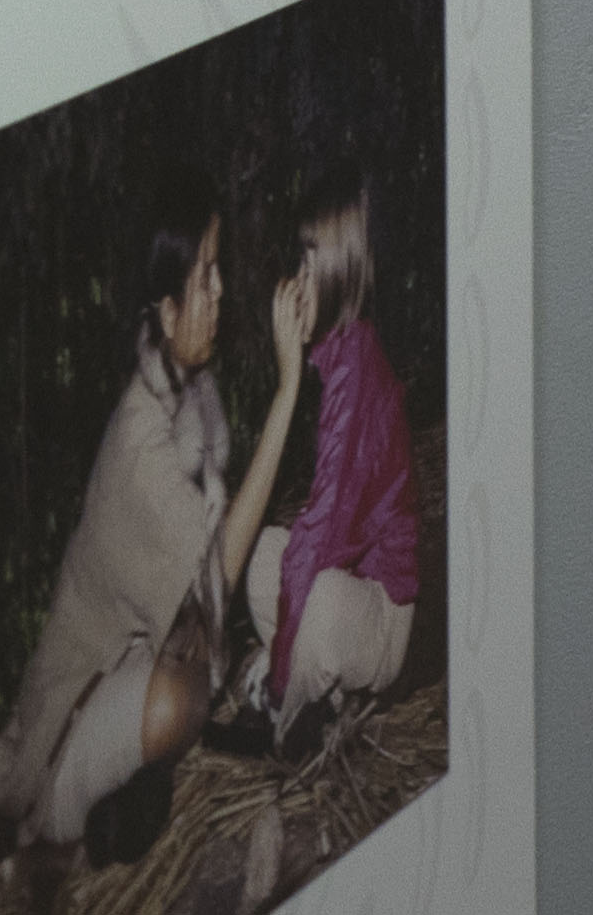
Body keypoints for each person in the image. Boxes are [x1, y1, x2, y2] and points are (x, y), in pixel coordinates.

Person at [0, 182, 317, 868]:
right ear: (167, 308)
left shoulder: (183, 393)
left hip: (121, 666)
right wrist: (287, 390)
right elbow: (219, 569)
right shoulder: (140, 443)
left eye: (217, 270)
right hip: (65, 736)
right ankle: (66, 832)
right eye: (205, 276)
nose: (221, 290)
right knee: (183, 696)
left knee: (203, 655)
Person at [224, 165, 421, 758]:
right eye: (299, 261)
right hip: (352, 589)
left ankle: (284, 717)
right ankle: (319, 699)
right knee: (265, 552)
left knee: (323, 598)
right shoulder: (339, 357)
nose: (296, 283)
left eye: (311, 266)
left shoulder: (356, 371)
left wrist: (279, 679)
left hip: (381, 617)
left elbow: (322, 537)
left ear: (339, 270)